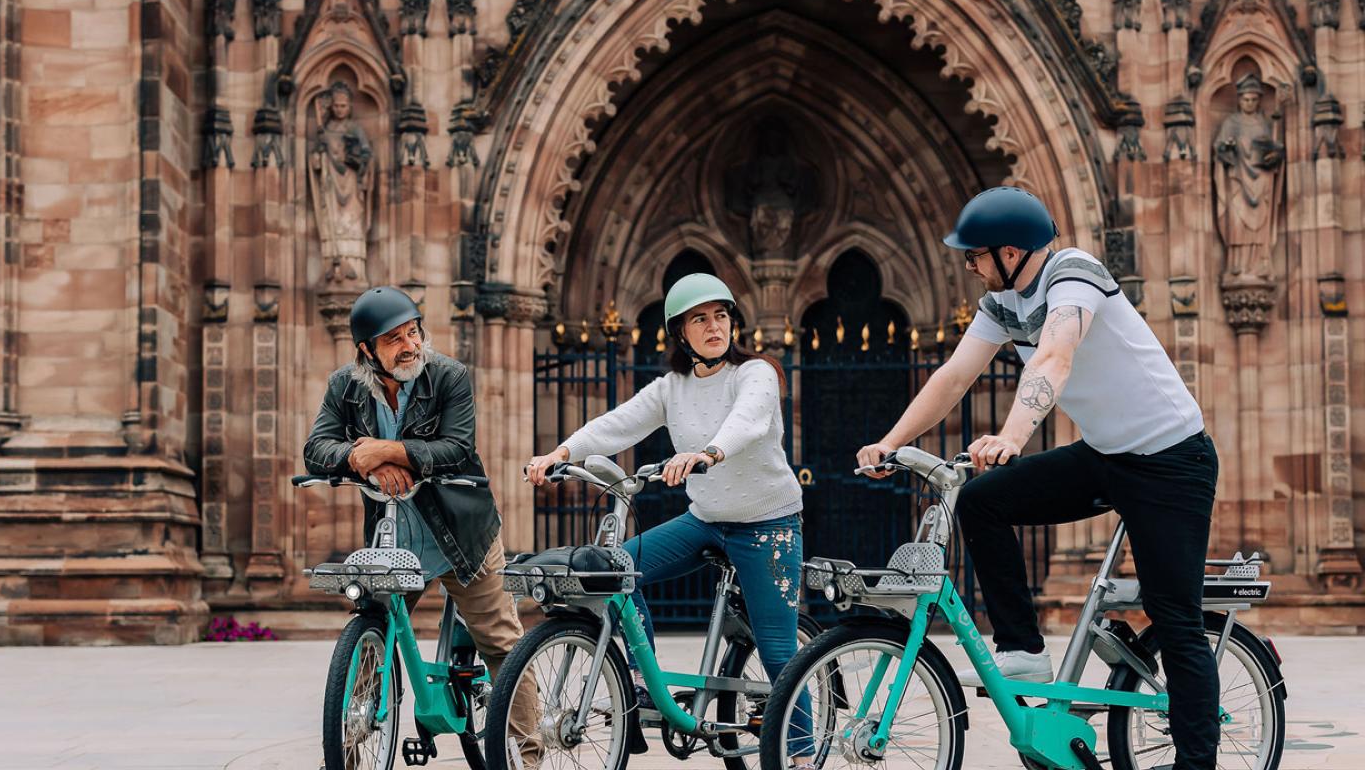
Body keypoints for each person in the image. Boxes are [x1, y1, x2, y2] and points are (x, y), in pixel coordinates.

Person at [857, 186, 1220, 769]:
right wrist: (891, 442)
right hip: (1107, 455)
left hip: (1172, 462)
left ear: (1009, 251)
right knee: (981, 502)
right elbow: (953, 377)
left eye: (974, 254)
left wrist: (1012, 438)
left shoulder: (1073, 273)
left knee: (1175, 620)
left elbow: (1055, 355)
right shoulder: (1002, 304)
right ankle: (1022, 647)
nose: (969, 265)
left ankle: (1196, 763)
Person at [525, 272, 813, 760]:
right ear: (681, 332)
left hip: (768, 525)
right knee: (616, 569)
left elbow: (749, 419)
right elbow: (620, 422)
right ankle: (641, 684)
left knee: (780, 652)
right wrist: (561, 451)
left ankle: (803, 752)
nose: (714, 326)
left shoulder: (755, 373)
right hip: (706, 519)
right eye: (700, 319)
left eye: (721, 316)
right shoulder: (672, 386)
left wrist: (709, 453)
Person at [303, 286, 537, 762]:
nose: (410, 344)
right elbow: (316, 450)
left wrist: (385, 450)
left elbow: (456, 447)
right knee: (371, 641)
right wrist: (356, 457)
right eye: (394, 338)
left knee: (500, 642)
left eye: (413, 331)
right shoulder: (344, 386)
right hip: (394, 536)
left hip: (461, 534)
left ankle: (528, 754)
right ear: (367, 349)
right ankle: (348, 751)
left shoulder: (449, 376)